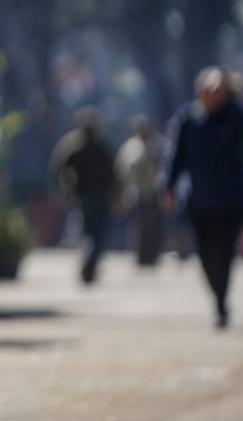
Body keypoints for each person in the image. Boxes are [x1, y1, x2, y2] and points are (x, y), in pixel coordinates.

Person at [164, 66, 243, 329]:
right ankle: (218, 295)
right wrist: (169, 185)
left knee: (223, 252)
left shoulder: (235, 118)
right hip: (199, 200)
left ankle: (221, 302)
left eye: (215, 90)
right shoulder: (189, 119)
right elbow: (177, 157)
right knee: (206, 255)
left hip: (231, 200)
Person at [49, 106, 119, 284]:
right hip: (95, 197)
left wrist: (66, 190)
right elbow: (113, 175)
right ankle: (89, 267)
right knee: (96, 235)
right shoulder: (100, 148)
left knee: (91, 234)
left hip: (88, 196)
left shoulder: (76, 149)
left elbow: (59, 168)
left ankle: (89, 267)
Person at [115, 114, 166, 266]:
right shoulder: (138, 147)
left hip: (137, 194)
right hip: (143, 194)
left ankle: (146, 257)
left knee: (143, 228)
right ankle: (145, 257)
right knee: (145, 228)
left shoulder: (129, 146)